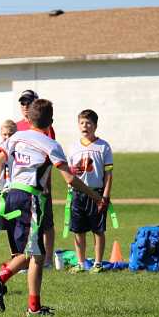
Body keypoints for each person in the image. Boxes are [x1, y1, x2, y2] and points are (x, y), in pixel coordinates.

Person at [0, 99, 102, 316]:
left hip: (11, 196)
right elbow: (69, 179)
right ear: (51, 122)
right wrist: (94, 196)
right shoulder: (51, 145)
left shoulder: (16, 137)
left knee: (34, 254)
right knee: (34, 253)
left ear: (28, 118)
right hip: (30, 198)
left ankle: (33, 307)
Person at [66, 109, 113, 273]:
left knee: (98, 230)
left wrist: (105, 196)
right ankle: (81, 263)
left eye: (88, 123)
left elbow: (108, 174)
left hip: (97, 194)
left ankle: (98, 263)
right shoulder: (73, 147)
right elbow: (70, 172)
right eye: (81, 123)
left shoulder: (103, 146)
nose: (85, 126)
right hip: (77, 194)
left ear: (95, 125)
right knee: (78, 230)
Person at [15, 89, 55, 271]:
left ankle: (47, 260)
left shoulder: (45, 126)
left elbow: (49, 157)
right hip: (21, 185)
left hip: (40, 183)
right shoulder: (16, 127)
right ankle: (23, 259)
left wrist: (46, 184)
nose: (25, 106)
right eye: (23, 103)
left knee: (46, 222)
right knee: (22, 224)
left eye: (28, 102)